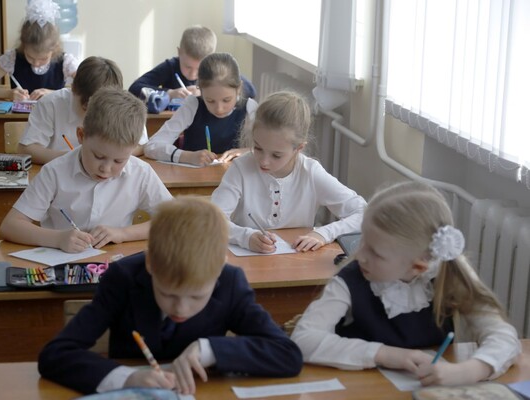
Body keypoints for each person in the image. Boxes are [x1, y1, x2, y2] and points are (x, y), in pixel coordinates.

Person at [38, 196, 303, 395]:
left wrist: (209, 350)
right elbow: (56, 354)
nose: (181, 309)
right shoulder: (123, 277)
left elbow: (287, 355)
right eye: (168, 294)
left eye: (196, 297)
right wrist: (126, 378)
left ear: (218, 271)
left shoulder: (230, 281)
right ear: (150, 264)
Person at [291, 181, 521, 386]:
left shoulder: (449, 274)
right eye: (363, 241)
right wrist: (388, 355)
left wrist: (468, 371)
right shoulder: (350, 279)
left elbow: (504, 337)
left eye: (375, 252)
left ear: (418, 267)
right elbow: (303, 338)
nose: (360, 255)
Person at [0, 88, 172, 252]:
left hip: (113, 263)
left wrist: (123, 233)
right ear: (81, 136)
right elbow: (10, 226)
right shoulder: (55, 172)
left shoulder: (141, 172)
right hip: (63, 263)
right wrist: (58, 239)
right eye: (98, 156)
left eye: (119, 161)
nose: (106, 169)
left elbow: (174, 221)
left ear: (134, 148)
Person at [210, 91, 366, 253]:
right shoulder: (240, 168)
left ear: (298, 148)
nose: (264, 161)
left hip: (298, 261)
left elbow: (363, 212)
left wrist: (323, 233)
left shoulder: (310, 172)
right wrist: (245, 237)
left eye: (276, 155)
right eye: (258, 148)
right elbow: (211, 218)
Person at [17, 56, 148, 164]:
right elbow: (26, 149)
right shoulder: (51, 104)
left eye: (101, 110)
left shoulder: (123, 107)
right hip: (62, 176)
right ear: (73, 88)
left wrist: (109, 157)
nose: (94, 116)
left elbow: (141, 145)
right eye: (86, 108)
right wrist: (76, 158)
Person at [144, 53, 258, 166]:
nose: (219, 109)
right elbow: (152, 146)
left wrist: (248, 151)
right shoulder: (193, 105)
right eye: (210, 101)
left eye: (226, 100)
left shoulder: (250, 108)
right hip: (193, 175)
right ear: (200, 90)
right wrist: (188, 156)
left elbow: (268, 147)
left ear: (239, 88)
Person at [0, 0, 79, 101]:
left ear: (54, 48)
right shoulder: (12, 58)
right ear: (23, 45)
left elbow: (87, 90)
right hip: (21, 116)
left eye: (43, 59)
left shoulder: (66, 62)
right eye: (30, 57)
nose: (36, 63)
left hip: (54, 116)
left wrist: (53, 94)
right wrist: (8, 93)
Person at [128, 25, 256, 101]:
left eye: (200, 69)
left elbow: (250, 90)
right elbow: (135, 88)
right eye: (188, 66)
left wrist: (206, 92)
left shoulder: (216, 71)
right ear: (179, 52)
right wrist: (170, 94)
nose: (193, 74)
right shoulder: (171, 67)